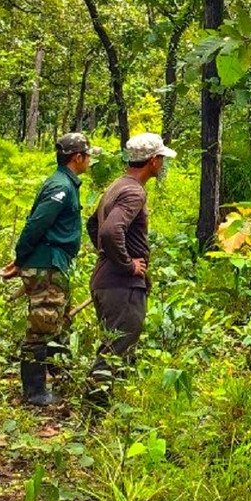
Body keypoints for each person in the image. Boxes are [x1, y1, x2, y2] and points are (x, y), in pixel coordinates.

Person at [4, 132, 102, 407]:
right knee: (42, 324)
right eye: (88, 155)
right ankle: (34, 394)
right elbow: (36, 224)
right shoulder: (61, 187)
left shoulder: (66, 183)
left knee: (56, 322)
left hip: (55, 263)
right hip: (46, 264)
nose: (90, 160)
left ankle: (59, 378)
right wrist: (21, 259)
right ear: (77, 157)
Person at [85, 132, 175, 404]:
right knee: (115, 350)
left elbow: (93, 226)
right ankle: (93, 414)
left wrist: (107, 258)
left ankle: (109, 411)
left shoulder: (117, 185)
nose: (162, 164)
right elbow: (111, 231)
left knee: (116, 346)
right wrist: (126, 264)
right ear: (153, 161)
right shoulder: (134, 191)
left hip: (106, 282)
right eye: (161, 159)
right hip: (120, 286)